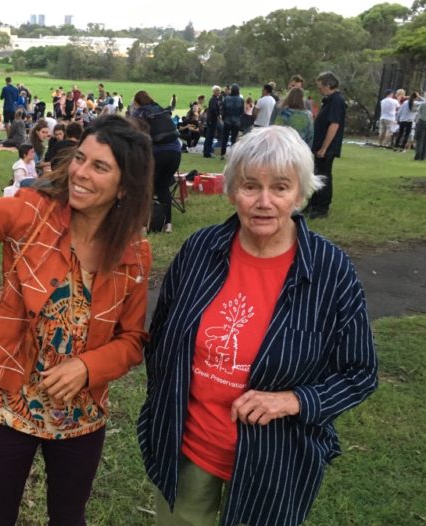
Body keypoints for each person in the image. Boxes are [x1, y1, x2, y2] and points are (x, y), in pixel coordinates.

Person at [0, 97, 153, 525]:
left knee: (69, 519)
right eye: (81, 159)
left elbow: (131, 342)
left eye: (100, 167)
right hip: (9, 407)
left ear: (125, 186)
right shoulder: (29, 214)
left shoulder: (134, 253)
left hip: (81, 417)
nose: (81, 173)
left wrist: (87, 368)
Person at [139, 125, 378, 526]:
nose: (264, 202)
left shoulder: (329, 270)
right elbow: (161, 336)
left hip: (276, 459)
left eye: (280, 187)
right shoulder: (200, 249)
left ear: (300, 193)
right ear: (232, 191)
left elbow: (360, 372)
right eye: (251, 186)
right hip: (190, 447)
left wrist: (291, 400)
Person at [132, 90, 182, 233]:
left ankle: (143, 225)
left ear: (137, 102)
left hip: (158, 153)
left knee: (148, 186)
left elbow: (137, 137)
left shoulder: (140, 113)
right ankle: (168, 225)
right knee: (163, 186)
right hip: (175, 152)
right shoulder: (160, 109)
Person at [307, 71, 346, 219]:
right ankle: (313, 203)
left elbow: (334, 125)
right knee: (317, 174)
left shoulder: (337, 101)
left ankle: (322, 207)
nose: (319, 90)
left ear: (329, 85)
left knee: (324, 175)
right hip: (319, 145)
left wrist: (324, 147)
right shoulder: (328, 100)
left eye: (321, 87)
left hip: (327, 147)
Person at [220, 83, 244, 159]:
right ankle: (232, 154)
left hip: (227, 120)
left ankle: (222, 154)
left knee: (225, 138)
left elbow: (223, 110)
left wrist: (224, 118)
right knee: (234, 138)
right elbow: (241, 111)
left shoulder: (226, 98)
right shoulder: (241, 100)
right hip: (236, 120)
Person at [203, 86, 222, 158]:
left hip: (212, 120)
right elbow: (214, 109)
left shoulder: (215, 99)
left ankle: (207, 151)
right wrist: (218, 115)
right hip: (212, 120)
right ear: (214, 91)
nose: (219, 92)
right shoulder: (213, 100)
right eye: (218, 91)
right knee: (210, 136)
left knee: (210, 136)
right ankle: (207, 153)